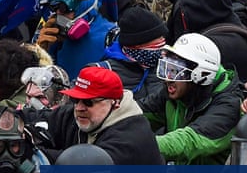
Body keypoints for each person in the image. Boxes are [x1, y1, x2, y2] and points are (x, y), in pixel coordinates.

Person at [140, 33, 243, 164]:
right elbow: (138, 114)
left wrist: (141, 147)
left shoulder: (229, 105)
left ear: (200, 74)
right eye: (167, 68)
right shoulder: (175, 91)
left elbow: (190, 140)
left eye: (176, 71)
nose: (167, 78)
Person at [32, 66, 163, 164]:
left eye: (89, 102)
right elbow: (38, 117)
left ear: (115, 103)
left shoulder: (131, 137)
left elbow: (83, 164)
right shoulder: (82, 115)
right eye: (75, 100)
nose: (79, 108)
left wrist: (29, 153)